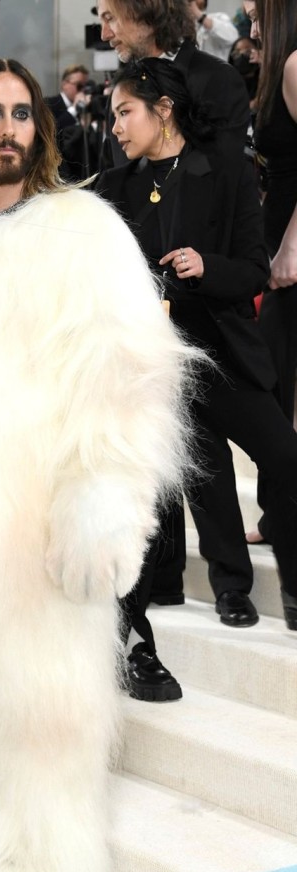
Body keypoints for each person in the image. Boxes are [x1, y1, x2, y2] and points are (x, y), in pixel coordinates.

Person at [97, 57, 297, 698]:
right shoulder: (115, 187)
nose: (117, 126)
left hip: (227, 351)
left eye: (125, 112)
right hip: (159, 364)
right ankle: (231, 590)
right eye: (113, 115)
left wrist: (201, 266)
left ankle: (293, 583)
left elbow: (252, 272)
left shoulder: (228, 173)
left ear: (164, 109)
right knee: (204, 479)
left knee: (284, 457)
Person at [249, 0, 297, 547]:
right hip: (278, 256)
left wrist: (288, 245)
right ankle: (278, 517)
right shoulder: (275, 70)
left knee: (274, 384)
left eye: (258, 16)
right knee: (275, 384)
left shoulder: (292, 65)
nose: (253, 28)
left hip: (291, 260)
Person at [96, 0, 250, 164]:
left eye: (110, 18)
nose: (104, 35)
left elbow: (224, 175)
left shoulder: (218, 80)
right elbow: (111, 173)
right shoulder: (121, 91)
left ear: (148, 9)